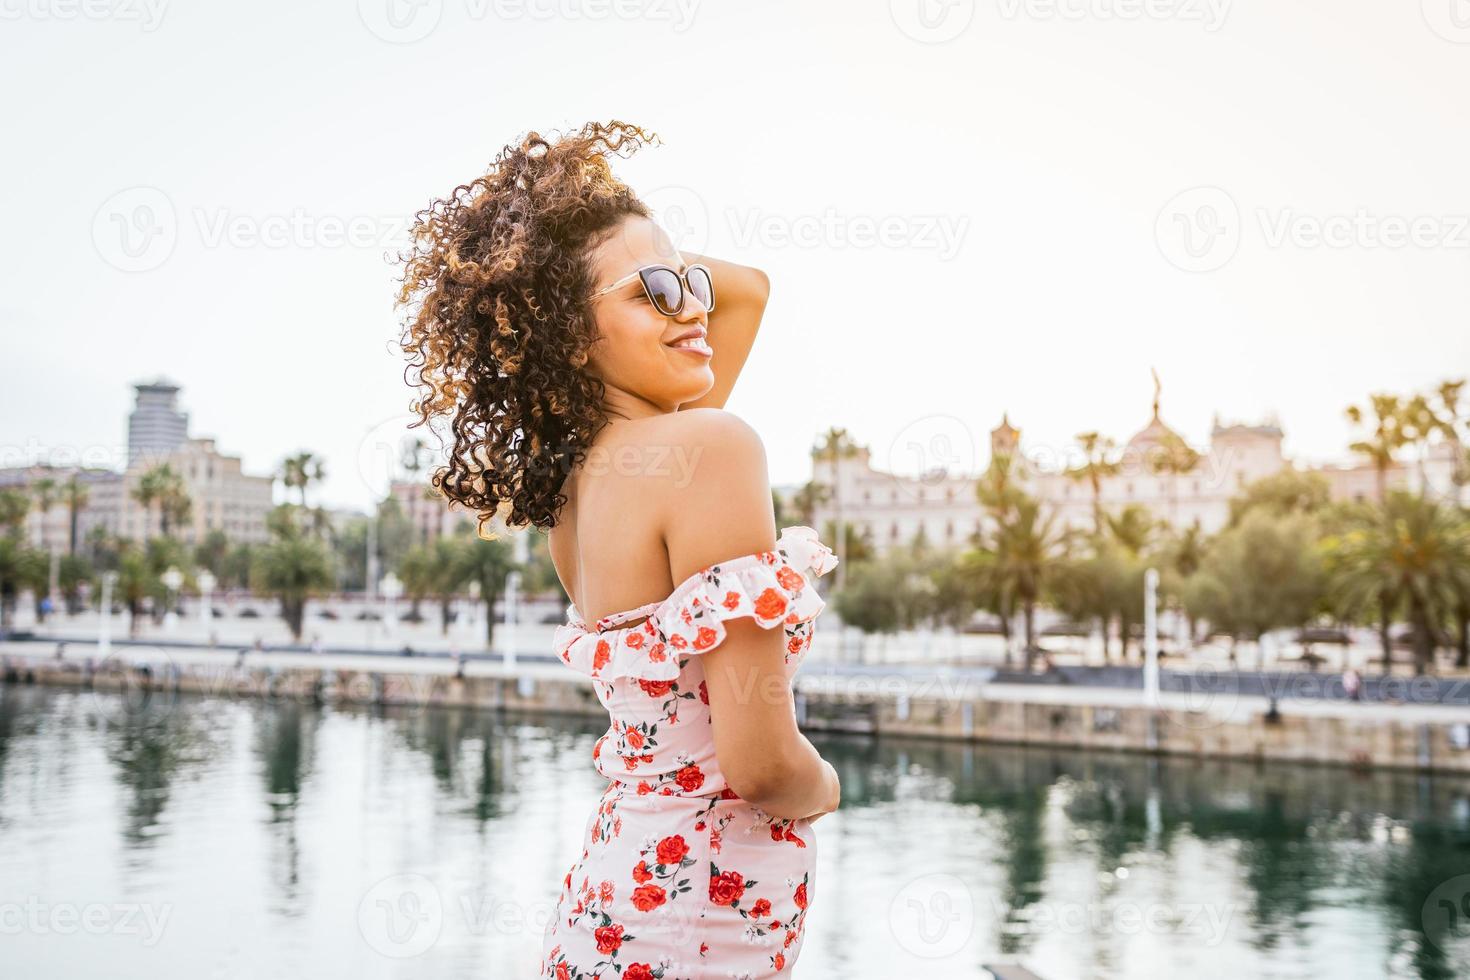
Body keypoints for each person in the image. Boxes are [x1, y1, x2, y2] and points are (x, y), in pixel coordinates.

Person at [397, 122, 841, 978]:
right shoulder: (707, 451)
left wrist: (624, 254)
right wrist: (827, 787)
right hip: (695, 925)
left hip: (624, 903)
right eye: (655, 293)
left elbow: (744, 291)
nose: (694, 306)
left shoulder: (581, 485)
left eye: (687, 283)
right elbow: (762, 770)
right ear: (566, 333)